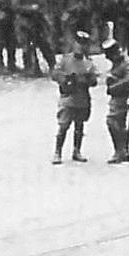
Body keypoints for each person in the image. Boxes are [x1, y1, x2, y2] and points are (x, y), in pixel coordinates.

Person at [54, 34, 96, 163]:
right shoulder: (65, 60)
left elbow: (93, 82)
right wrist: (67, 80)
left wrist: (86, 79)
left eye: (83, 44)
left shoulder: (88, 63)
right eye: (78, 43)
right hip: (68, 98)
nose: (80, 47)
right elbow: (55, 74)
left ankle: (77, 151)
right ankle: (58, 152)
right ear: (74, 44)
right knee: (64, 125)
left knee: (79, 125)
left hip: (82, 98)